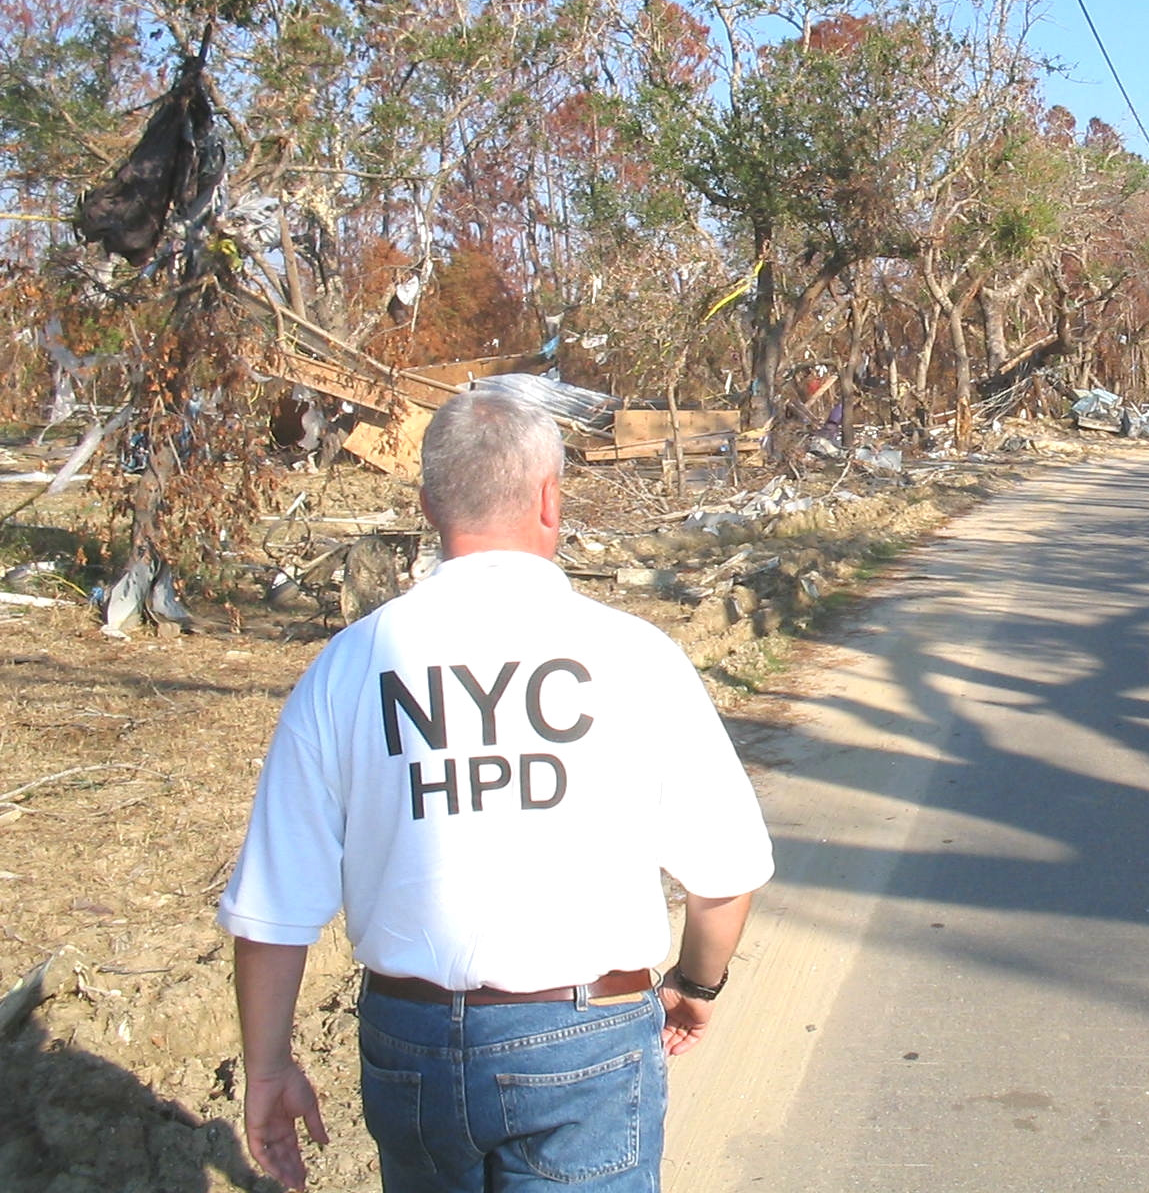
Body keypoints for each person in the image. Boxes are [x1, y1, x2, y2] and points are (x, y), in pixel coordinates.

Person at [218, 389, 774, 1192]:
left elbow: (273, 908)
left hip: (409, 1045)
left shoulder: (347, 664)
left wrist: (267, 1067)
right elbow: (726, 874)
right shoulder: (634, 655)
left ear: (429, 505)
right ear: (552, 498)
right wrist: (694, 986)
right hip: (586, 1036)